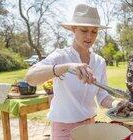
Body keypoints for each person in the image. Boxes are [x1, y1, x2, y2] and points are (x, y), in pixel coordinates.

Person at [25, 4, 119, 140]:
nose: (89, 36)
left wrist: (118, 104)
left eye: (94, 31)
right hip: (64, 129)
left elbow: (102, 97)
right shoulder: (60, 56)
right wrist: (66, 67)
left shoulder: (99, 62)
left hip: (91, 126)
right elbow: (30, 77)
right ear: (74, 29)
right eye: (84, 30)